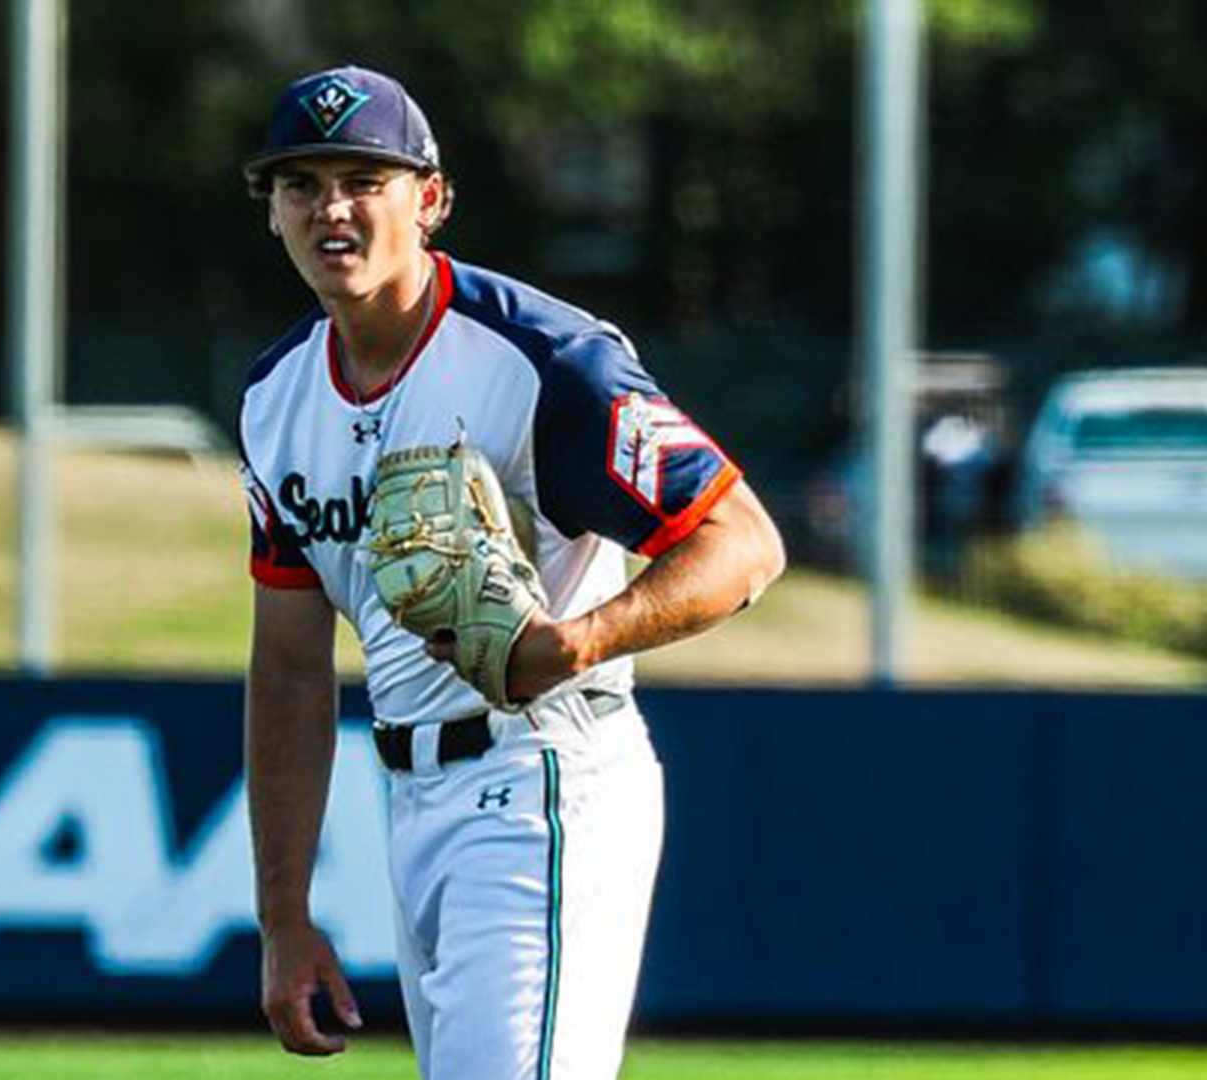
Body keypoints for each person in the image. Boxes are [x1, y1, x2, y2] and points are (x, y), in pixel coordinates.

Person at [238, 64, 785, 1079]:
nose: (332, 209)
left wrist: (575, 643)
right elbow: (288, 664)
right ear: (271, 211)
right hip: (410, 803)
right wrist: (283, 914)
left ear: (431, 199)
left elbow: (744, 542)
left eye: (365, 180)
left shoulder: (545, 359)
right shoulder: (276, 398)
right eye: (301, 184)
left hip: (542, 776)